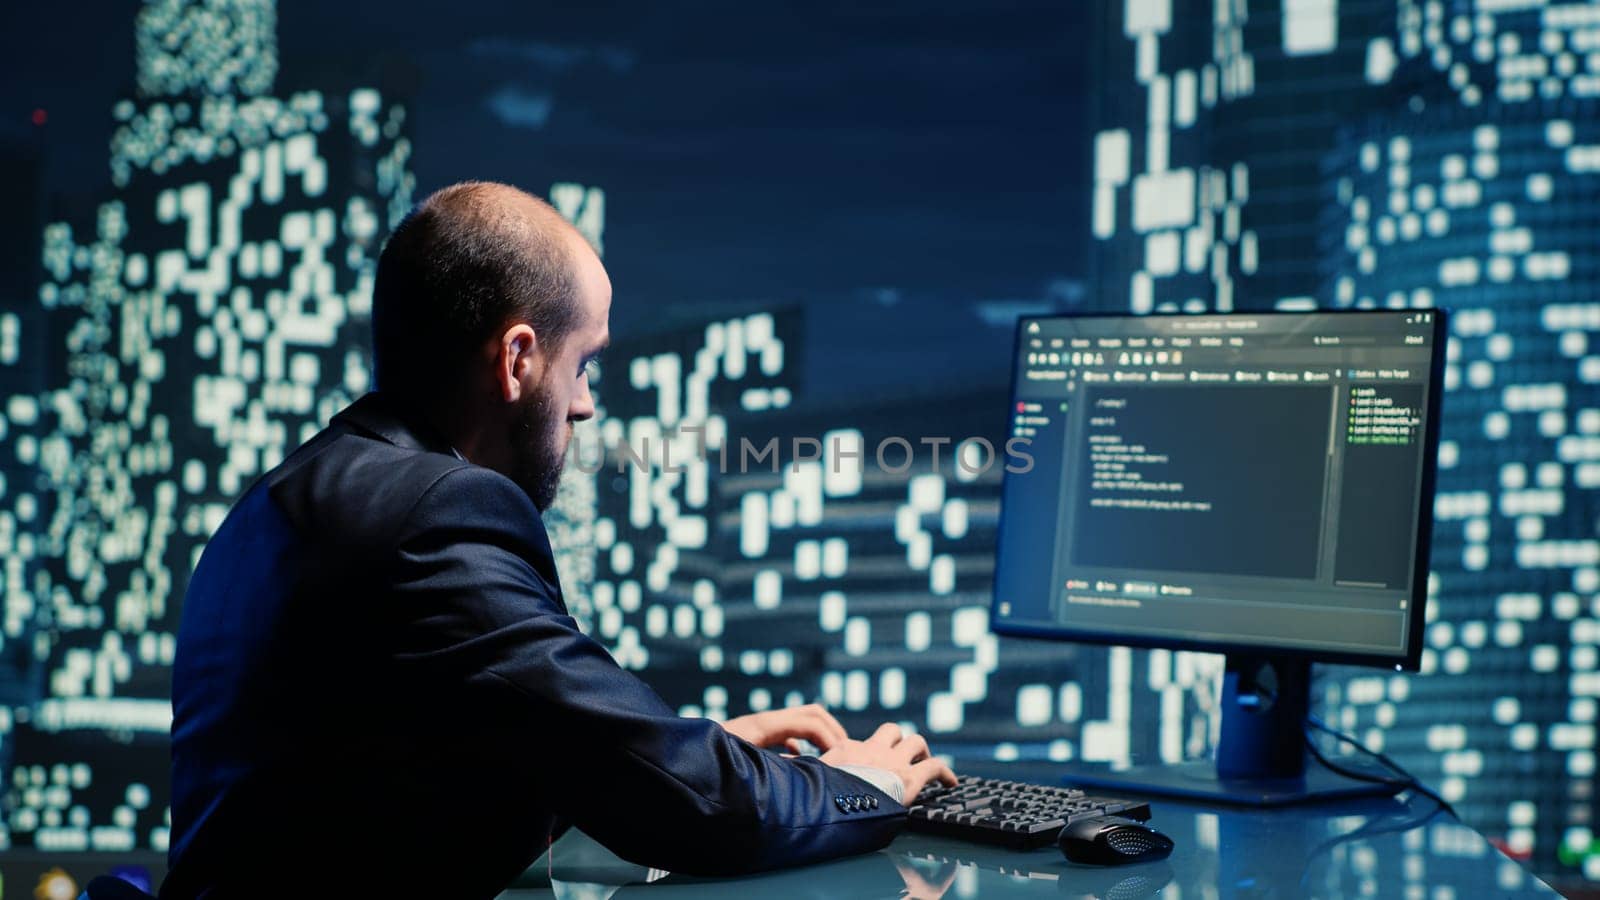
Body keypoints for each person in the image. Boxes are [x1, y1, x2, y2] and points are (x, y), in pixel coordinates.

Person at [162, 181, 956, 898]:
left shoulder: (285, 498)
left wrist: (681, 750)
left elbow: (400, 773)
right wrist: (863, 781)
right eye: (583, 366)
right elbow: (695, 814)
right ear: (516, 360)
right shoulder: (438, 513)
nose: (585, 407)